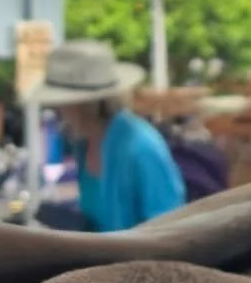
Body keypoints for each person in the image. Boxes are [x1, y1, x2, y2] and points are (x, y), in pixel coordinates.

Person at [34, 38, 186, 232]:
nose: (58, 109)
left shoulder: (141, 146)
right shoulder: (84, 143)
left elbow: (169, 226)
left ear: (83, 104)